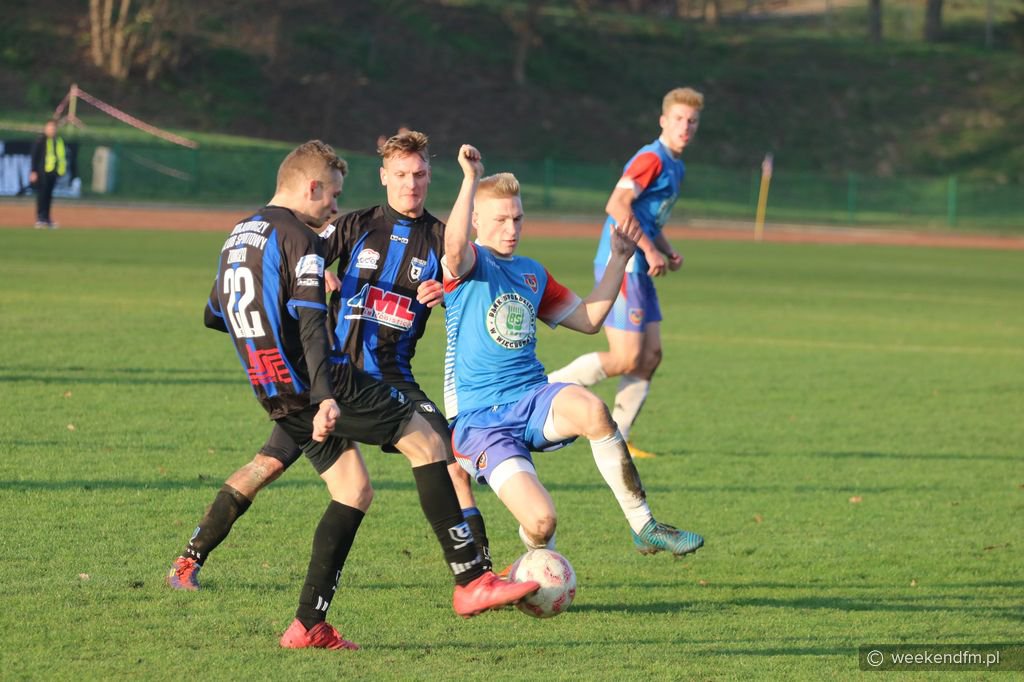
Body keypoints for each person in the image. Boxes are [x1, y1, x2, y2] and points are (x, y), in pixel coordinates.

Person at [173, 139, 537, 651]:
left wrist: (444, 290)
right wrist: (323, 380)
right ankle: (473, 579)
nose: (411, 183)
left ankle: (308, 625)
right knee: (425, 445)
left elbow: (217, 311)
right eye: (401, 174)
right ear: (382, 176)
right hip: (331, 379)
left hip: (304, 383)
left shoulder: (247, 232)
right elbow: (309, 309)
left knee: (359, 488)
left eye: (420, 174)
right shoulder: (329, 230)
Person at [439, 144, 704, 559]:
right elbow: (455, 249)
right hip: (481, 420)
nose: (511, 228)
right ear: (476, 220)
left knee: (593, 410)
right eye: (501, 219)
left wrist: (618, 259)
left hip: (532, 397)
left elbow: (589, 319)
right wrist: (470, 179)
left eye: (517, 218)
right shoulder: (469, 265)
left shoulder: (532, 272)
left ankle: (644, 526)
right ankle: (538, 561)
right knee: (542, 523)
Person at [547, 87, 704, 459]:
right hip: (624, 262)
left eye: (692, 121)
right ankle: (543, 389)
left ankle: (622, 439)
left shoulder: (676, 164)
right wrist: (648, 249)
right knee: (626, 357)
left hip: (641, 265)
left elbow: (648, 218)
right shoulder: (651, 158)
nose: (685, 127)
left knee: (651, 355)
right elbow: (617, 205)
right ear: (663, 120)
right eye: (678, 119)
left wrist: (665, 249)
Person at [29, 119, 67, 229]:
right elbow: (34, 156)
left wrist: (61, 170)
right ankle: (40, 218)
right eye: (50, 128)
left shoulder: (58, 140)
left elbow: (61, 157)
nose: (52, 130)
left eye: (54, 128)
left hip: (53, 172)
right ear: (45, 129)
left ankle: (47, 218)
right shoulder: (41, 140)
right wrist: (33, 171)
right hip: (42, 172)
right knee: (42, 195)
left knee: (49, 196)